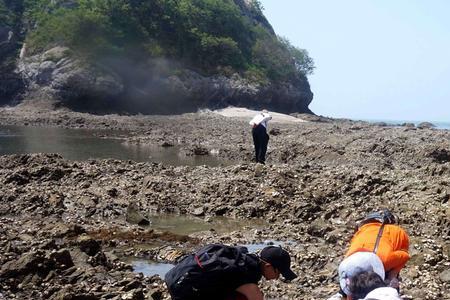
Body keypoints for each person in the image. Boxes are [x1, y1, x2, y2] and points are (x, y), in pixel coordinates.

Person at [165, 244, 297, 300]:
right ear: (268, 266)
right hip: (184, 289)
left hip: (175, 277)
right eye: (279, 272)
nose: (278, 277)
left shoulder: (242, 258)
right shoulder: (248, 275)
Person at [328, 210, 410, 300]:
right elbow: (405, 256)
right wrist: (392, 276)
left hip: (350, 262)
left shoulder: (362, 230)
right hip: (382, 261)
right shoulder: (398, 231)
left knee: (353, 285)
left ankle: (341, 294)